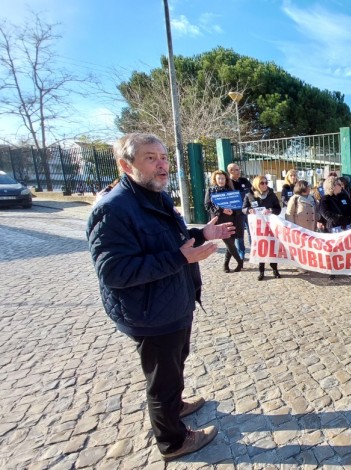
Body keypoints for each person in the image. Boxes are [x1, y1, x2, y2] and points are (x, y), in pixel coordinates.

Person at [86, 133, 233, 461]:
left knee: (177, 361)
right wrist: (182, 259)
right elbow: (114, 272)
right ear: (127, 165)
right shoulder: (113, 210)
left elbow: (172, 240)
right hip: (150, 313)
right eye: (151, 158)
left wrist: (200, 234)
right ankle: (173, 441)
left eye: (164, 157)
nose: (162, 164)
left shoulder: (156, 196)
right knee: (162, 378)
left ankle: (175, 405)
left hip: (174, 302)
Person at [204, 170, 244, 273]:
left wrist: (233, 212)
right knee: (229, 243)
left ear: (226, 179)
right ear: (215, 180)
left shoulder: (231, 190)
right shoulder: (211, 190)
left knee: (230, 243)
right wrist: (222, 210)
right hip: (220, 221)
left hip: (233, 220)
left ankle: (225, 265)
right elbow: (207, 205)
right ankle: (240, 262)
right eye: (219, 178)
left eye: (223, 178)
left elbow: (238, 205)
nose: (221, 180)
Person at [243, 175, 282, 280]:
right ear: (256, 184)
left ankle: (275, 269)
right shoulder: (249, 195)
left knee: (272, 248)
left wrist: (271, 210)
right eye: (262, 183)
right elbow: (244, 208)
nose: (265, 185)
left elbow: (278, 209)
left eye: (266, 183)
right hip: (258, 228)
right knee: (261, 248)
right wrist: (249, 210)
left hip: (270, 227)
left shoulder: (272, 195)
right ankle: (261, 271)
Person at [227, 163, 252, 260]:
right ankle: (241, 252)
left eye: (239, 169)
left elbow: (250, 192)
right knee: (239, 233)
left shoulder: (244, 180)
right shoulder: (228, 183)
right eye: (236, 170)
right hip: (237, 212)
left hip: (248, 210)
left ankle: (254, 250)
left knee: (251, 231)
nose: (239, 171)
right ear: (230, 171)